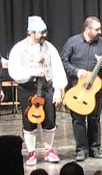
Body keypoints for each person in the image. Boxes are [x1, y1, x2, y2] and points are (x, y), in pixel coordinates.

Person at [8, 15, 67, 166]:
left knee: (49, 120)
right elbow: (14, 70)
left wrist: (59, 90)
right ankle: (31, 152)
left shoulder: (49, 47)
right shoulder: (19, 48)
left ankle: (49, 150)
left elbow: (58, 68)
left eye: (45, 32)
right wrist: (32, 72)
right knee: (29, 122)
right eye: (41, 32)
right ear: (32, 32)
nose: (44, 35)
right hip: (28, 90)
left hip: (46, 89)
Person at [61, 16, 102, 161]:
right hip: (77, 90)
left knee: (94, 119)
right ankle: (81, 150)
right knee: (78, 120)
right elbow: (63, 62)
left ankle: (95, 148)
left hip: (94, 90)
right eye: (97, 29)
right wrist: (76, 71)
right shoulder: (73, 42)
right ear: (87, 29)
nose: (100, 32)